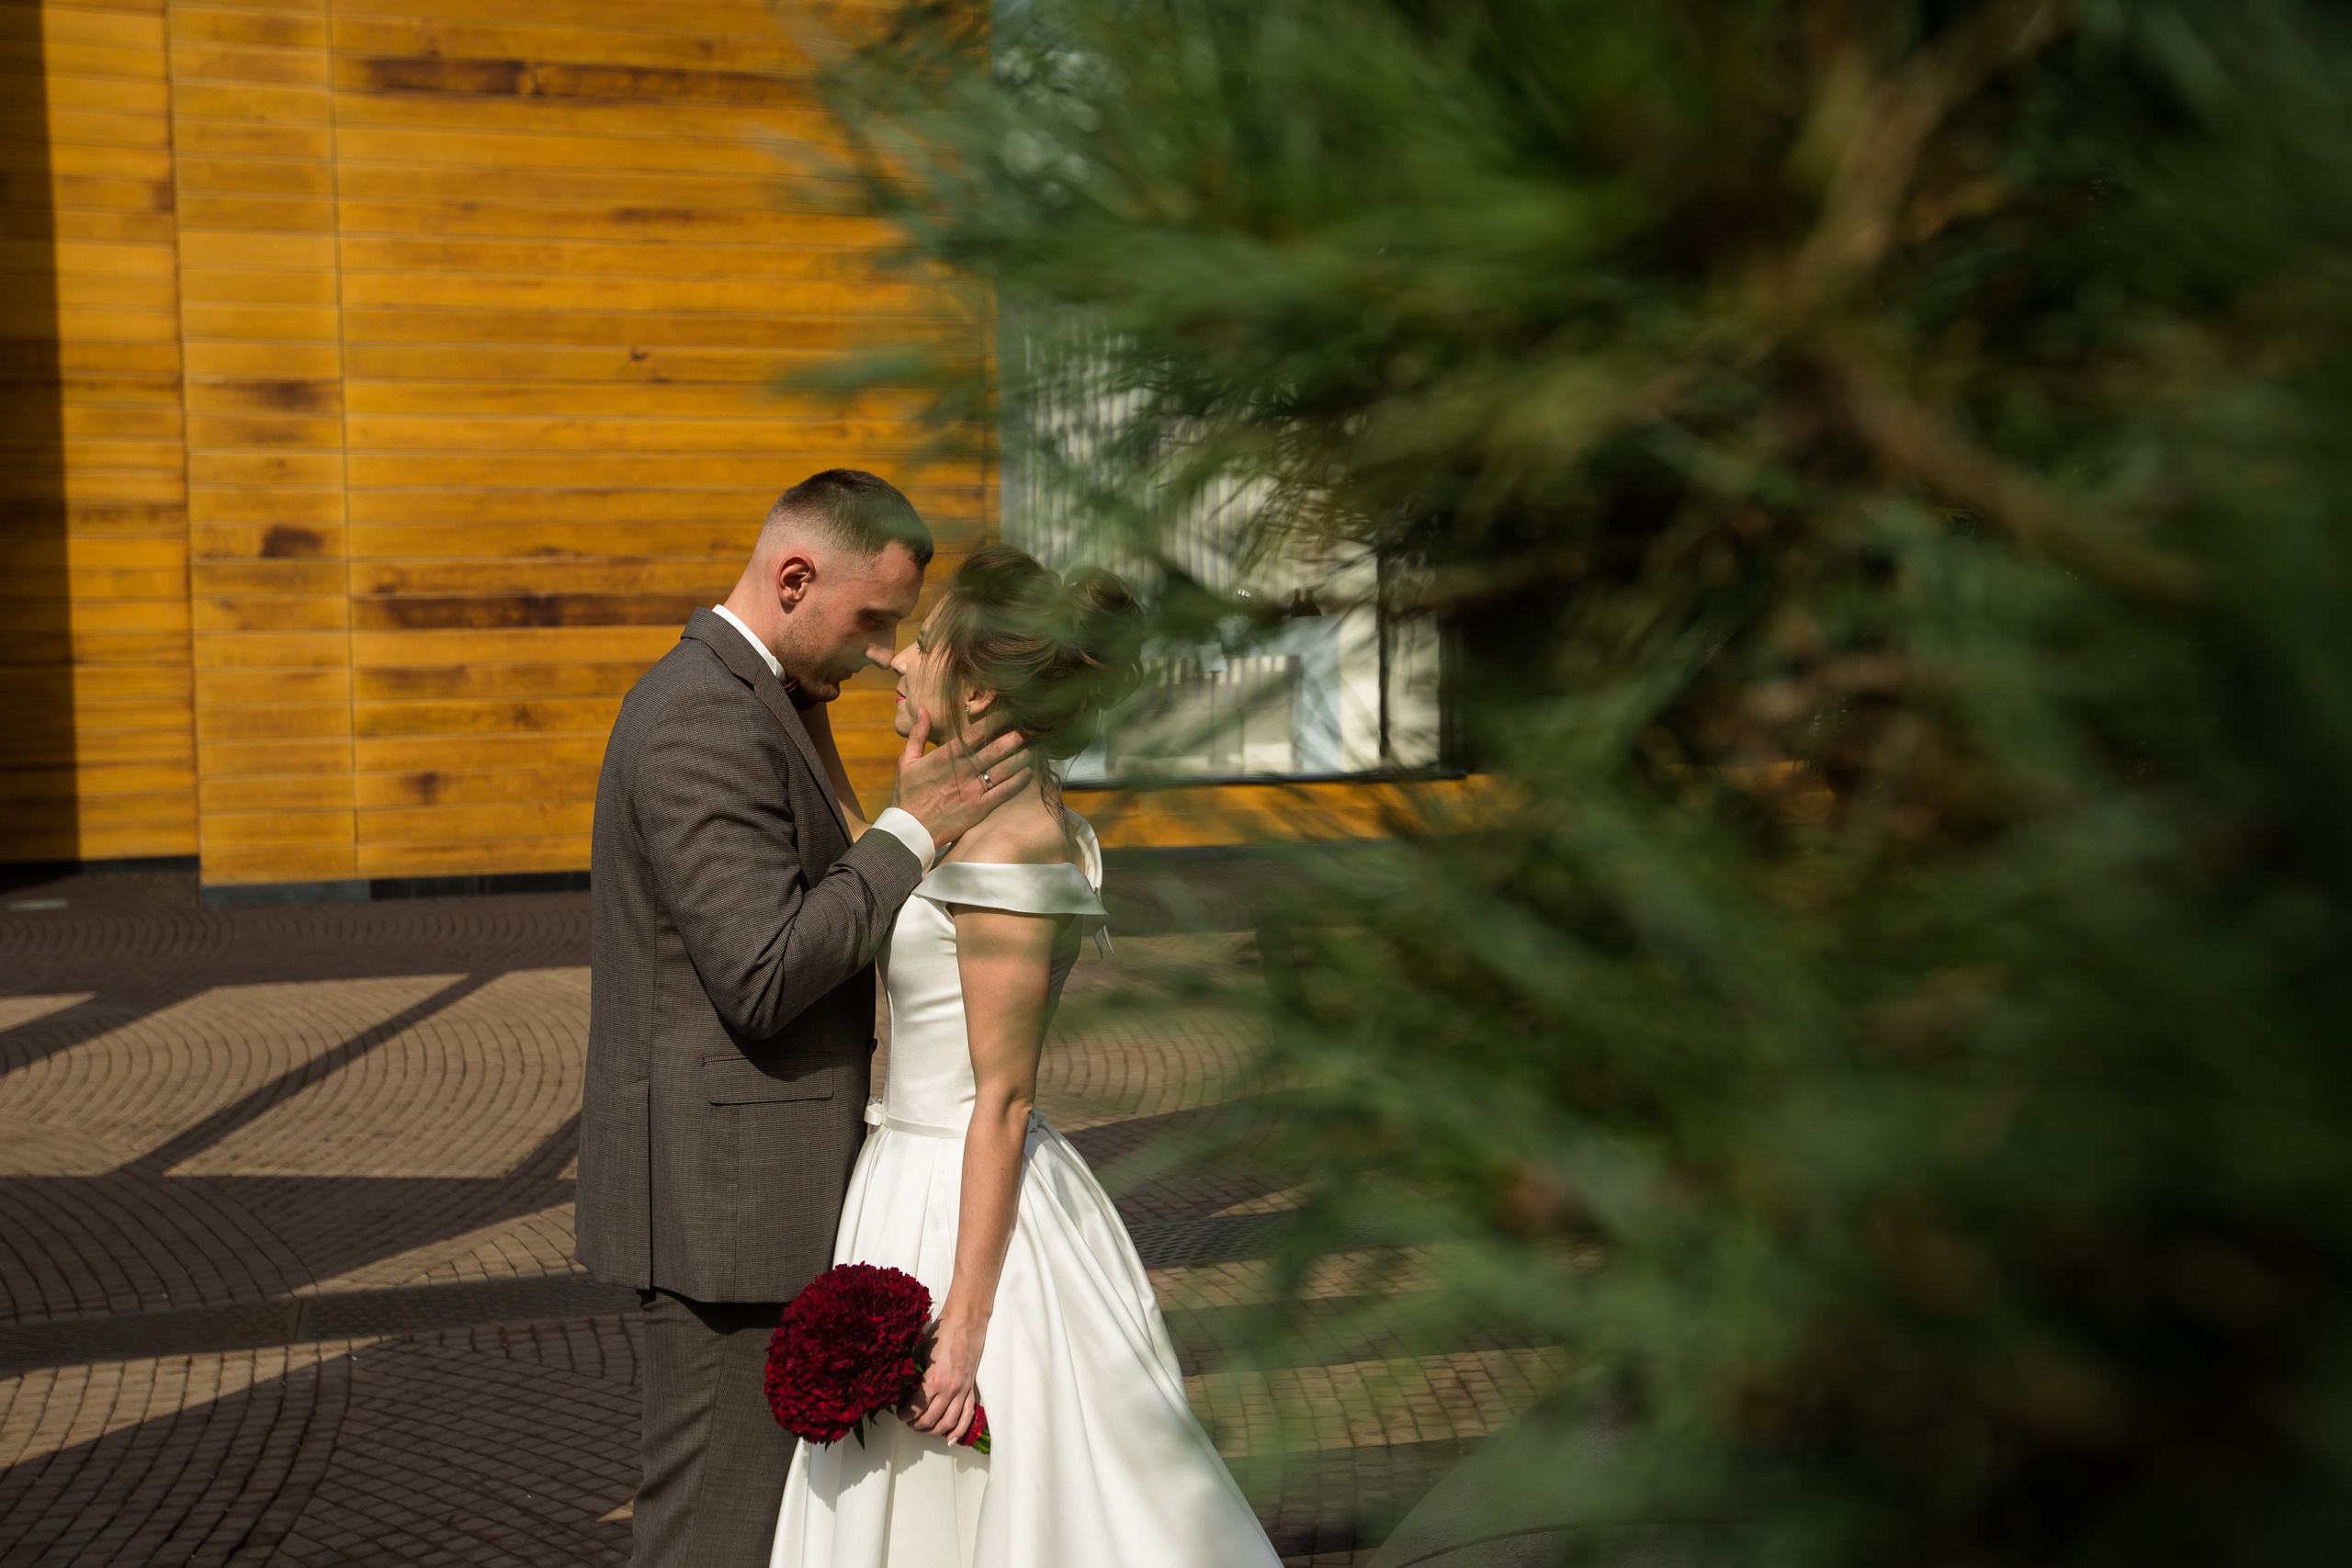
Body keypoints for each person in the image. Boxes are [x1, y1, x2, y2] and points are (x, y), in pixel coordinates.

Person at [770, 544, 1283, 1567]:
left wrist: (962, 1330)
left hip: (962, 1189)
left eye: (925, 639)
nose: (900, 657)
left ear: (982, 685)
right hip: (906, 1173)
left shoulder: (1012, 847)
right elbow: (880, 854)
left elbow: (1002, 1101)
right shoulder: (966, 811)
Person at [578, 470, 1033, 1568]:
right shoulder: (701, 717)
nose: (884, 649)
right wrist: (908, 833)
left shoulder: (768, 701)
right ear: (793, 577)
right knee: (709, 1534)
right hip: (723, 1207)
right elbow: (764, 972)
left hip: (761, 1187)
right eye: (873, 618)